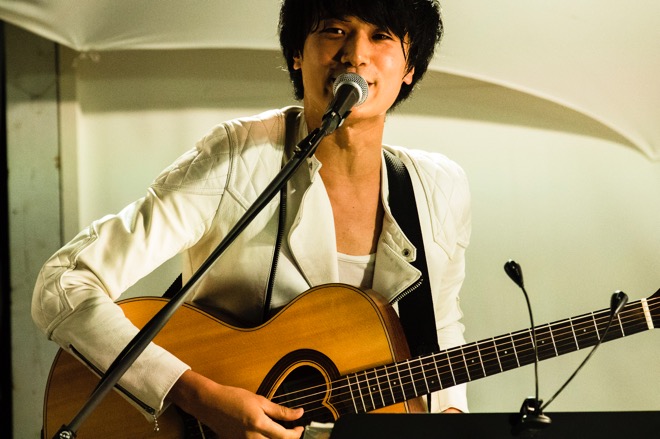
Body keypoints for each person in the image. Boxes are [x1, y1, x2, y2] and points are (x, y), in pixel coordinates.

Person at [32, 0, 471, 438]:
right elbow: (63, 283)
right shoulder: (236, 157)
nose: (356, 54)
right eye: (334, 30)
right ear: (297, 54)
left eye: (381, 36)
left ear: (410, 67)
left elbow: (441, 323)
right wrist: (196, 395)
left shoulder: (439, 188)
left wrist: (449, 409)